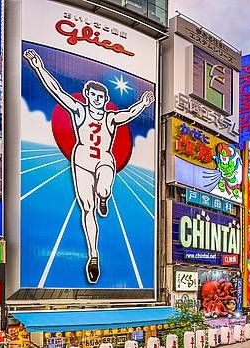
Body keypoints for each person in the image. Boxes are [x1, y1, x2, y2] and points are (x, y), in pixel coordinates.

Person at [22, 48, 155, 284]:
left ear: (105, 100)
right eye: (93, 96)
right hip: (82, 158)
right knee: (87, 208)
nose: (97, 100)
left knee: (103, 189)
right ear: (87, 95)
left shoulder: (111, 118)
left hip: (104, 158)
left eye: (101, 97)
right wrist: (38, 66)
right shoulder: (79, 110)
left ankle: (105, 196)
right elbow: (56, 90)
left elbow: (130, 113)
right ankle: (93, 255)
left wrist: (144, 103)